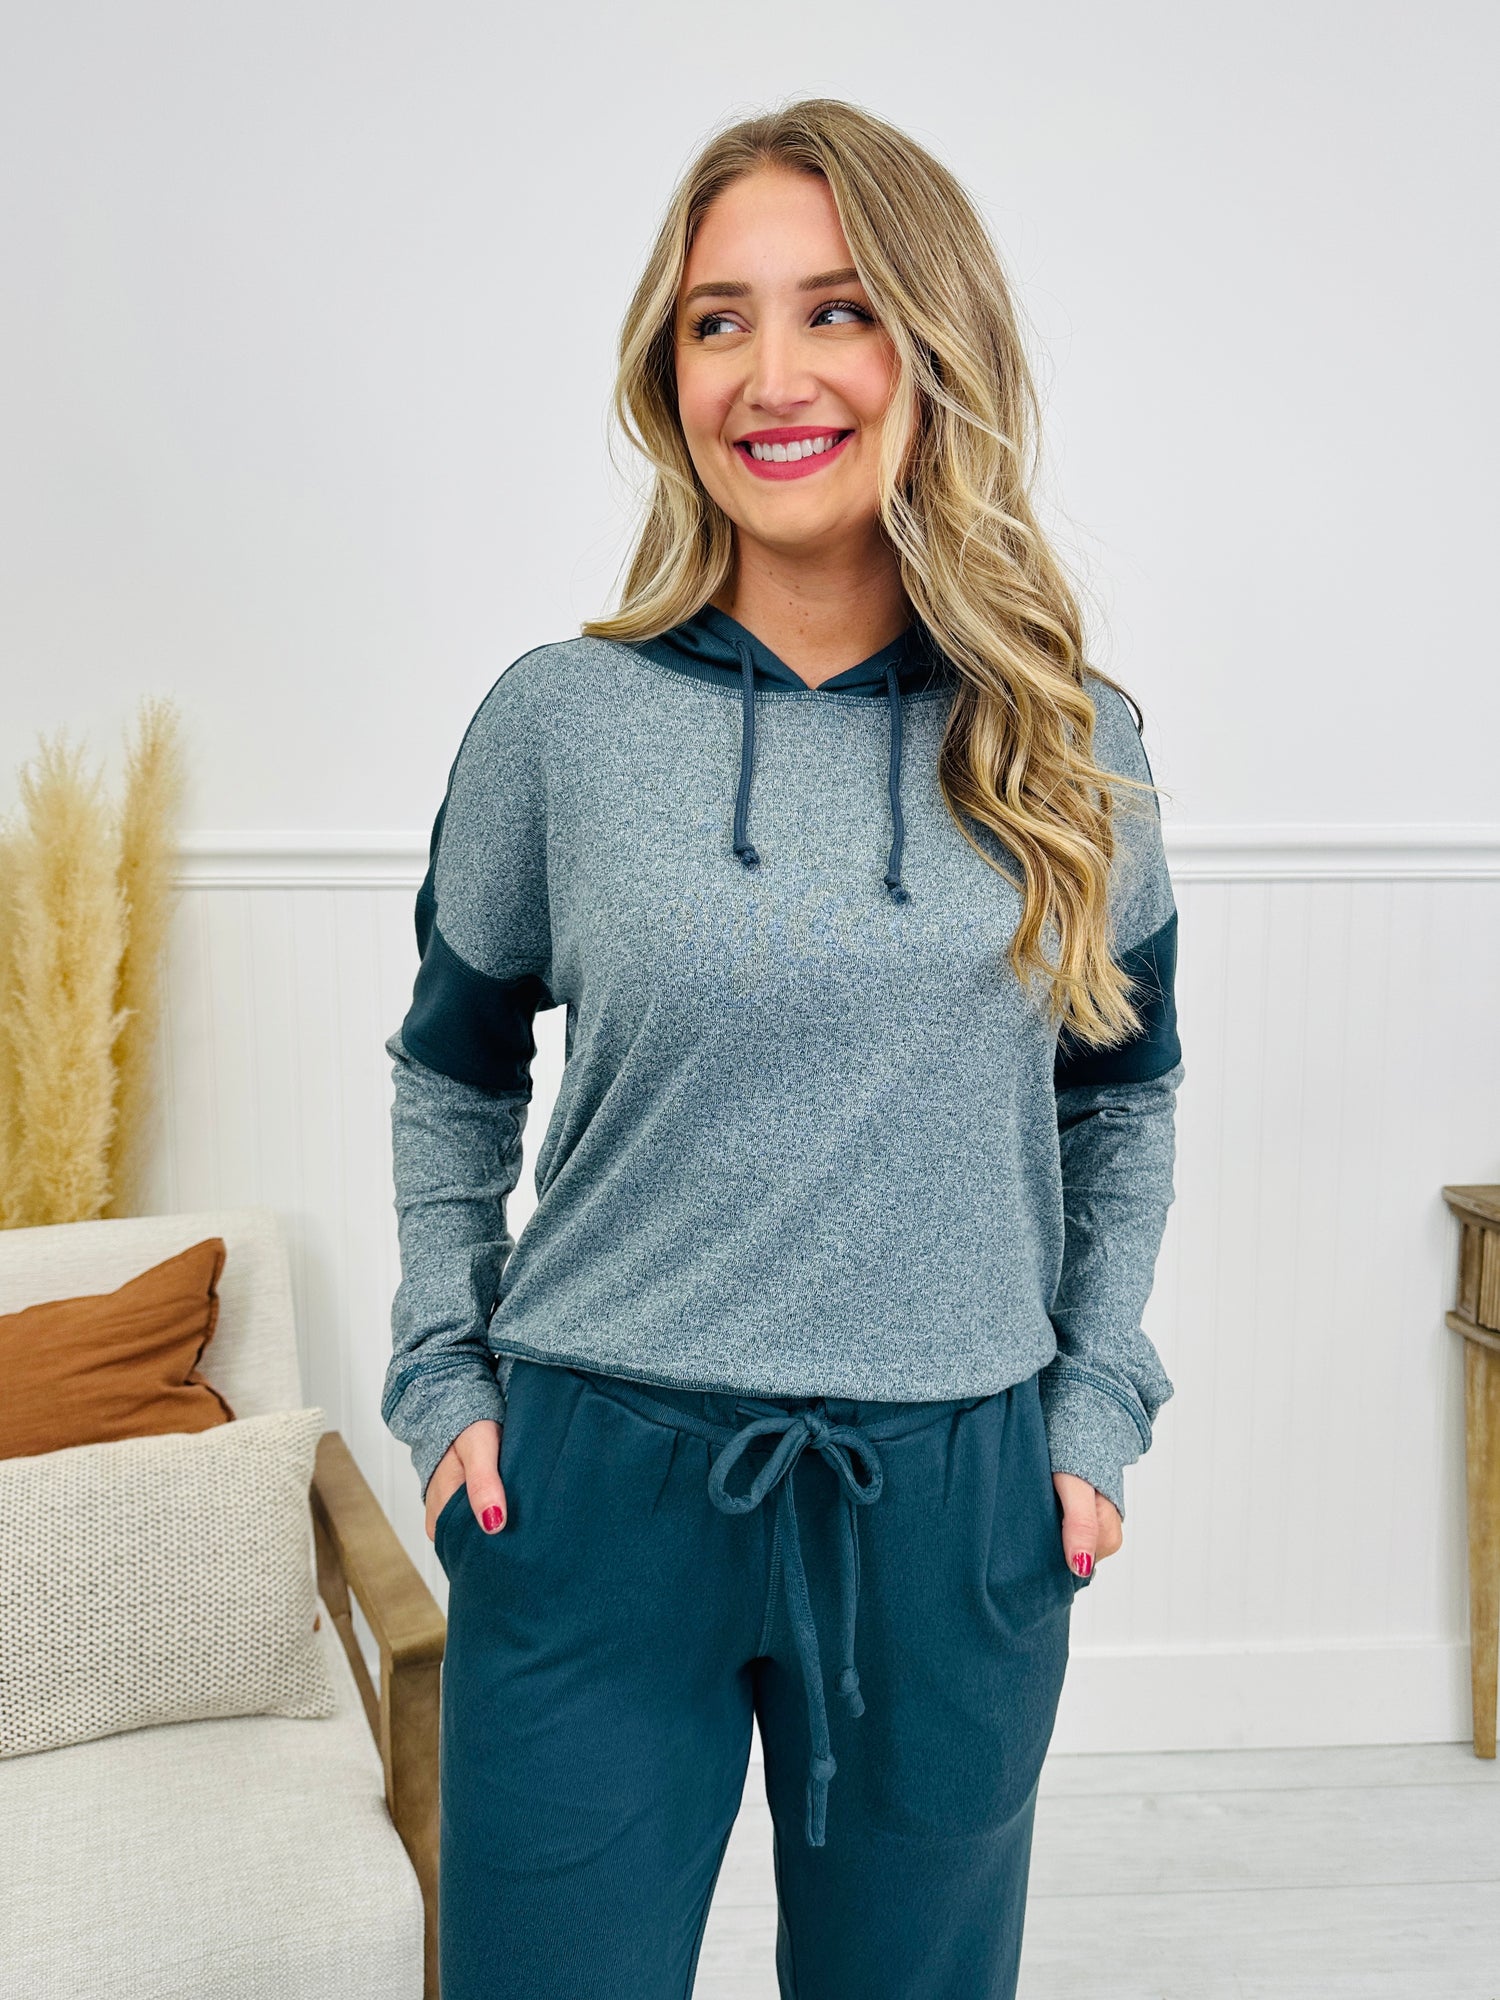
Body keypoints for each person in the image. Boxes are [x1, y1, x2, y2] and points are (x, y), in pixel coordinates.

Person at [382, 95, 1183, 2000]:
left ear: (935, 344)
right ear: (668, 378)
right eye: (716, 321)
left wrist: (1093, 1407)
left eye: (836, 310)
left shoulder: (1073, 740)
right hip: (590, 1488)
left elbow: (1124, 1100)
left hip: (951, 1507)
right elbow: (452, 1071)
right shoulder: (559, 721)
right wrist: (443, 1372)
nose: (771, 374)